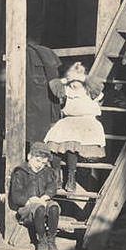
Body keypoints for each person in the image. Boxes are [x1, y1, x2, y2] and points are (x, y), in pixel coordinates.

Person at [44, 63, 105, 193]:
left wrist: (83, 78)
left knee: (72, 144)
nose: (74, 84)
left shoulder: (89, 90)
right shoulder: (67, 90)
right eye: (72, 81)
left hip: (86, 122)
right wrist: (66, 79)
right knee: (54, 144)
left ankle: (71, 177)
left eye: (77, 81)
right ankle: (56, 176)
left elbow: (98, 86)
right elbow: (53, 85)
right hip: (69, 121)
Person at [8, 142, 61, 250]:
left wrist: (46, 196)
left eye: (43, 163)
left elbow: (52, 186)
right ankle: (41, 240)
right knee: (39, 208)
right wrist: (31, 200)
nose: (40, 165)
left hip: (43, 201)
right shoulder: (20, 172)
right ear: (29, 157)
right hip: (27, 207)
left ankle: (51, 240)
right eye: (37, 161)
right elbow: (16, 195)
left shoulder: (47, 172)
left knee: (54, 207)